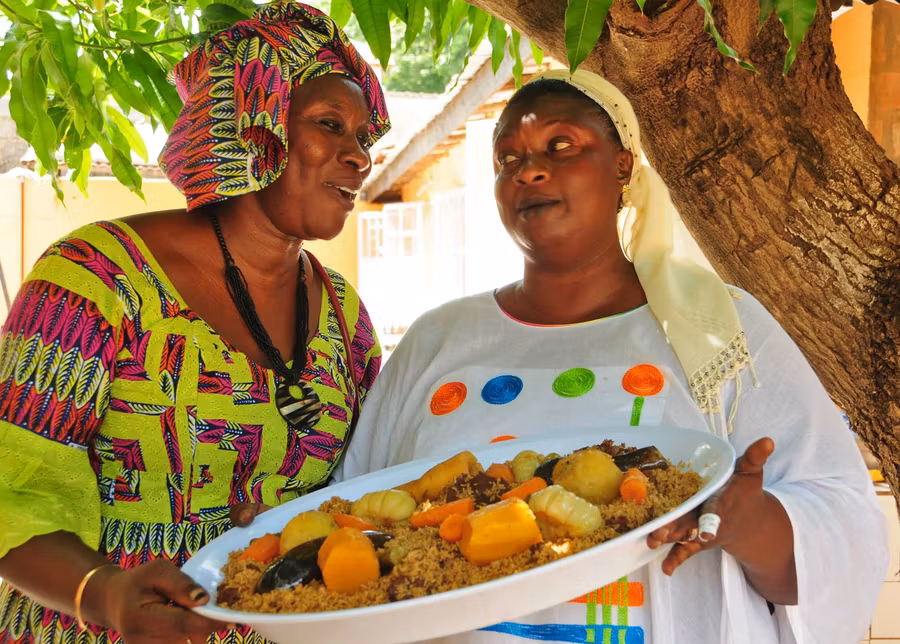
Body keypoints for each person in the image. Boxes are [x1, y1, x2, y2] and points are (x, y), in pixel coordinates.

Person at [340, 69, 888, 643]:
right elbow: (352, 519)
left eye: (560, 146)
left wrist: (751, 523)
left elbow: (845, 532)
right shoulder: (438, 342)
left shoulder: (720, 332)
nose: (528, 169)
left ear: (623, 166)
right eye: (507, 158)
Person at [0, 3, 389, 643]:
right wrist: (102, 593)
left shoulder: (345, 317)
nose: (360, 157)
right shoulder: (97, 278)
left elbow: (368, 485)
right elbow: (12, 488)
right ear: (252, 127)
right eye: (330, 126)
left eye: (364, 138)